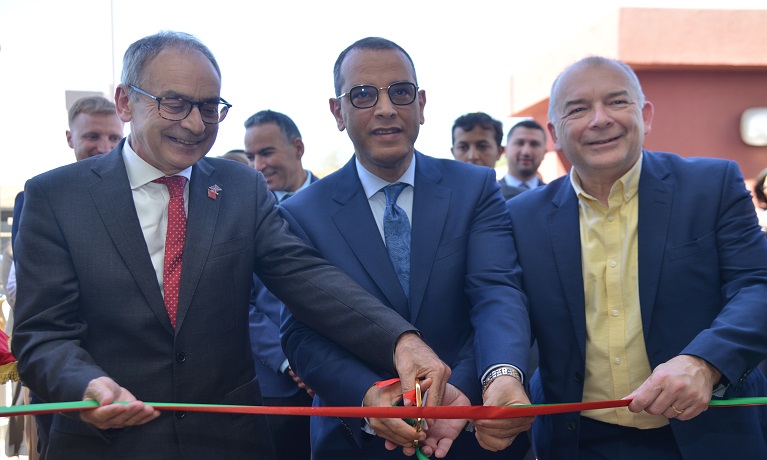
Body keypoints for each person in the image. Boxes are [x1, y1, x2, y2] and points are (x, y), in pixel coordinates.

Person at [11, 31, 449, 459]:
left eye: (209, 107)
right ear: (126, 102)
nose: (195, 124)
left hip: (227, 441)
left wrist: (400, 341)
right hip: (104, 445)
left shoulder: (241, 187)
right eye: (175, 103)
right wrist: (85, 384)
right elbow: (42, 336)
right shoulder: (54, 197)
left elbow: (306, 278)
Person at [279, 36, 533, 460]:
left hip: (471, 431)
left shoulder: (474, 189)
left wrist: (483, 383)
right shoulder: (302, 213)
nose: (385, 108)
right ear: (337, 112)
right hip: (356, 440)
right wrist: (367, 396)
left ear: (421, 104)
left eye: (400, 92)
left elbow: (496, 294)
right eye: (362, 95)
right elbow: (300, 333)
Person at [507, 56, 767, 460]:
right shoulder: (521, 217)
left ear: (645, 116)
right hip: (578, 440)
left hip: (709, 433)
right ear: (554, 133)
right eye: (578, 108)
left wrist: (705, 362)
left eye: (616, 102)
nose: (600, 119)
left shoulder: (711, 186)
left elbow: (757, 285)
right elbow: (503, 312)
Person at [9, 94, 125, 460]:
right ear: (69, 138)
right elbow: (33, 290)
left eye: (113, 138)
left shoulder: (138, 196)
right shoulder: (40, 196)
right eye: (92, 136)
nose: (103, 147)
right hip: (62, 369)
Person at [244, 109, 320, 460]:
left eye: (267, 152)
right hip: (276, 388)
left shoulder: (338, 204)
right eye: (251, 156)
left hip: (347, 384)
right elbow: (239, 304)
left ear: (298, 147)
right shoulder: (243, 218)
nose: (258, 165)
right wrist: (289, 363)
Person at [500, 119, 547, 200]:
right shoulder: (490, 195)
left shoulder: (553, 196)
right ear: (505, 150)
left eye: (534, 144)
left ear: (545, 152)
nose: (526, 152)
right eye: (519, 143)